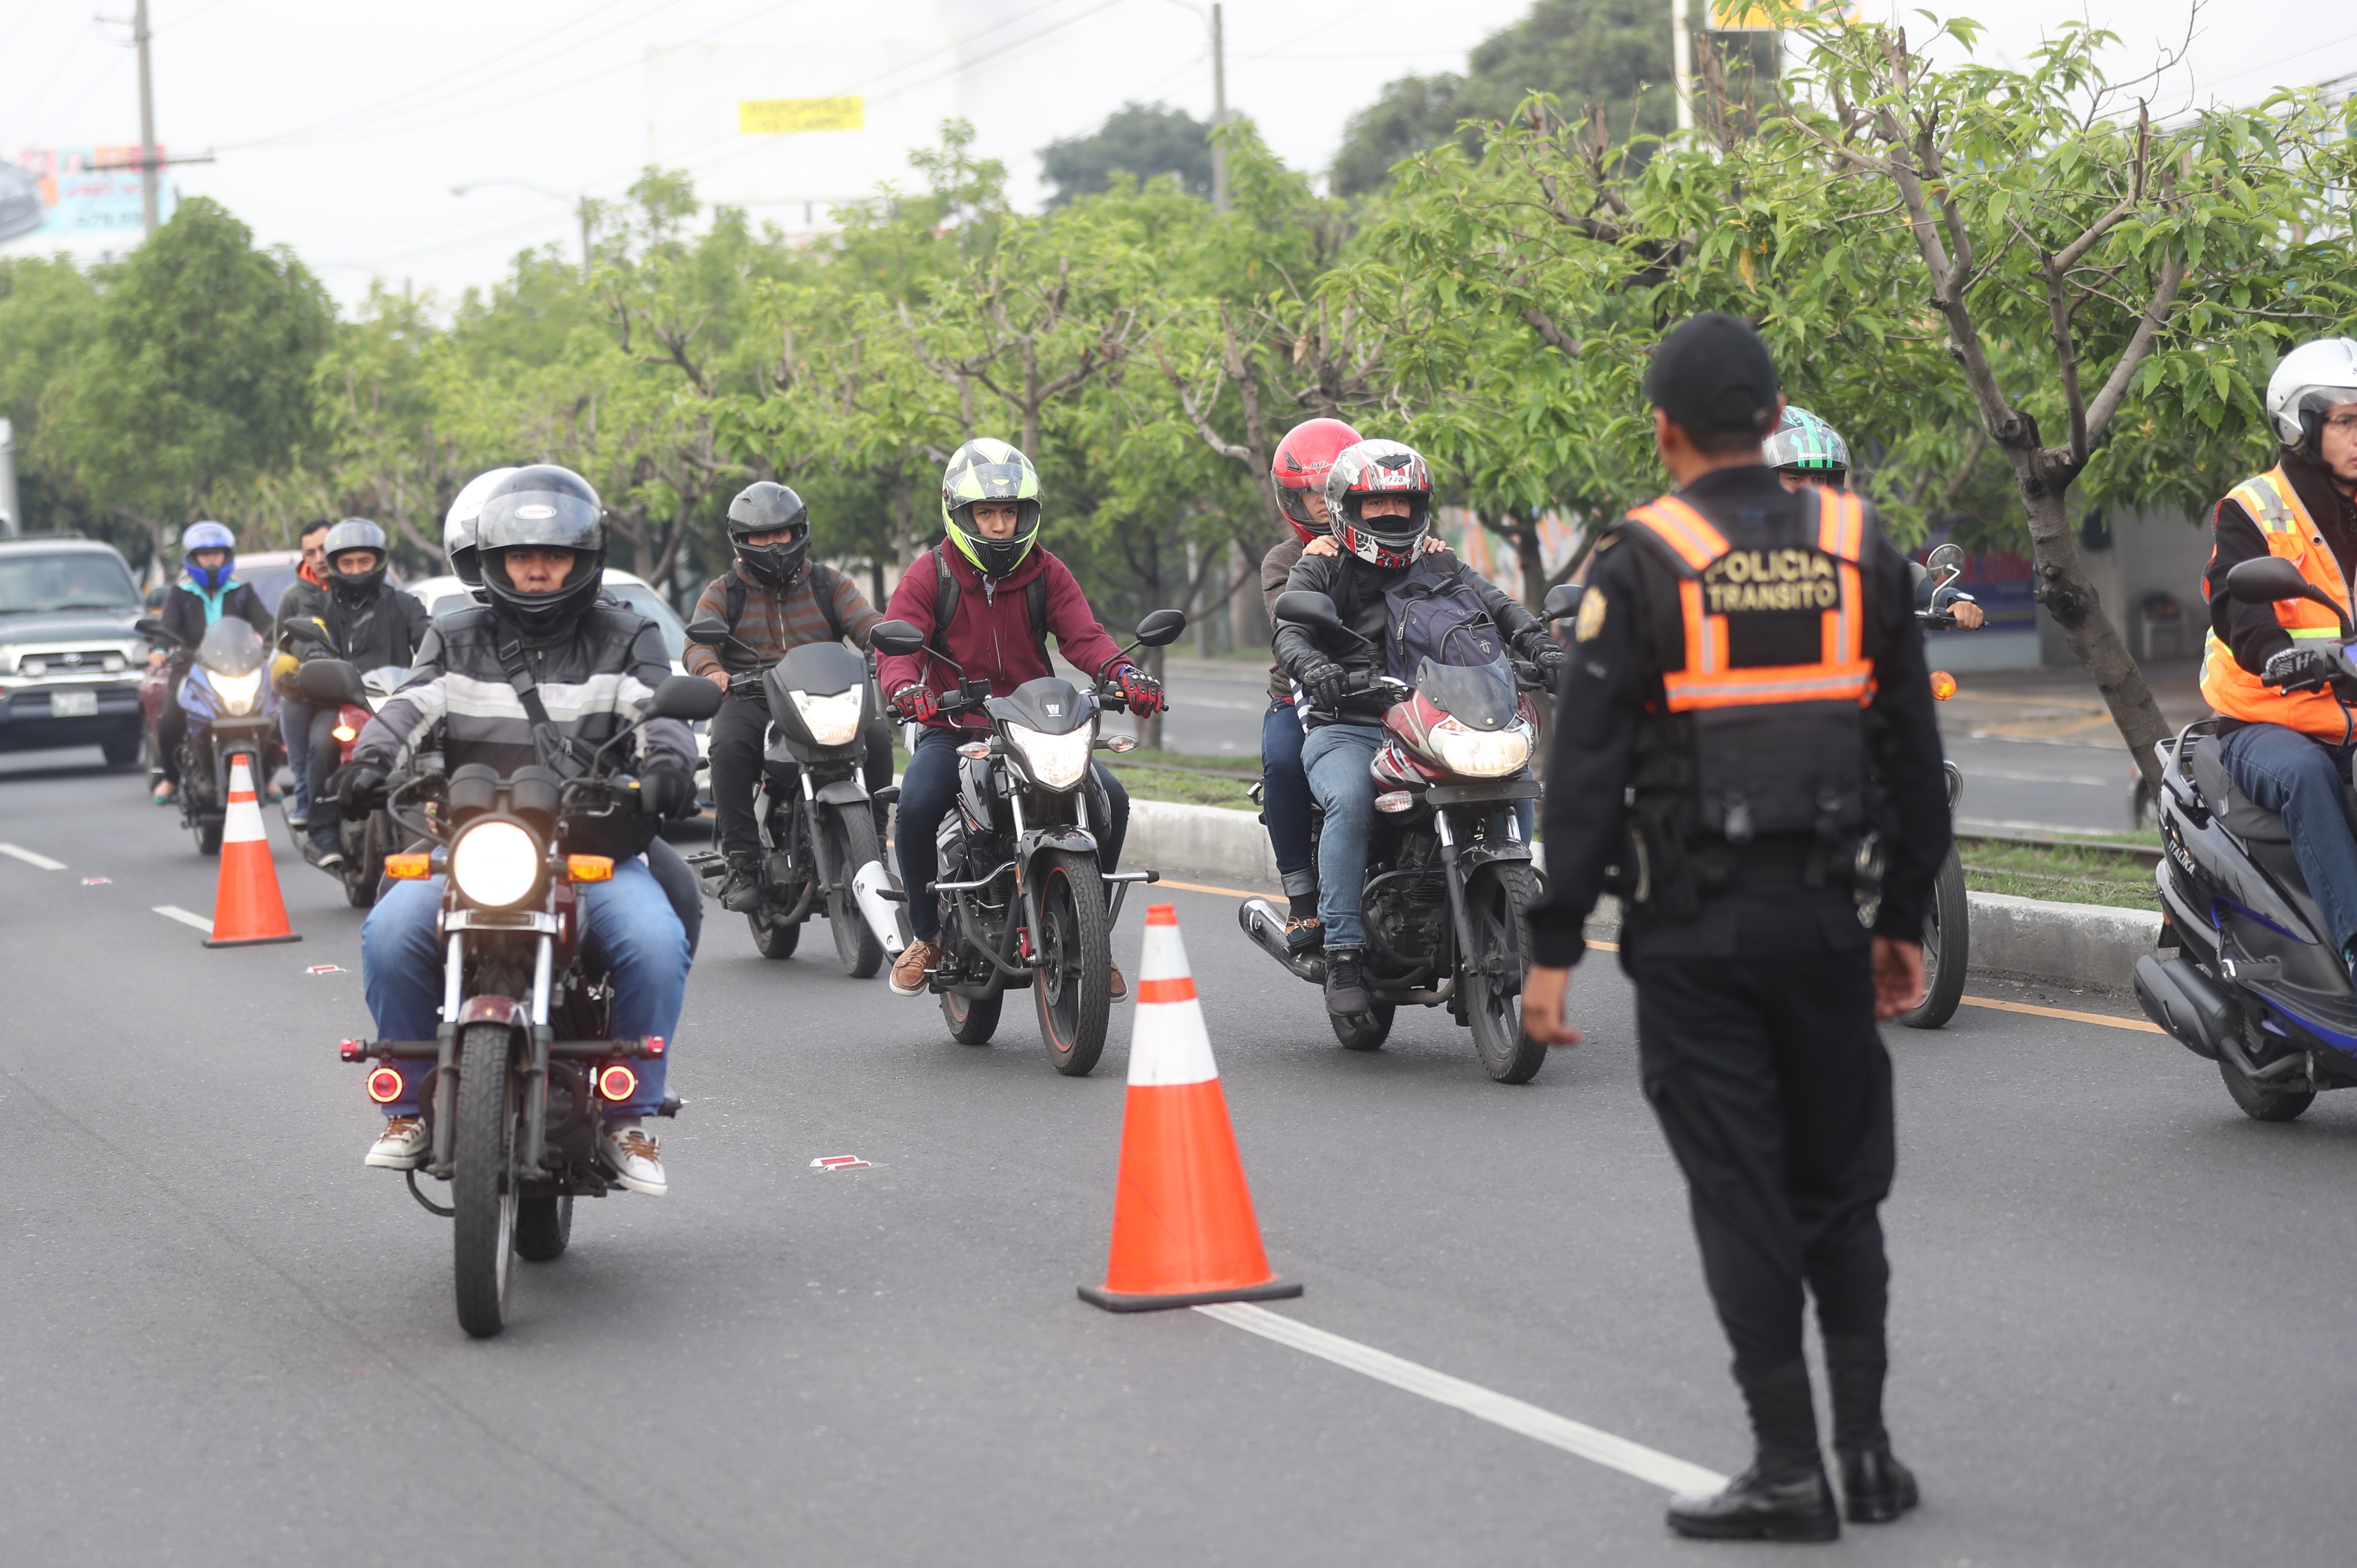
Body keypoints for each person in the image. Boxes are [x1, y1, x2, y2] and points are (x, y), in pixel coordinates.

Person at [1518, 314, 1949, 1541]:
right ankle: (1866, 1455)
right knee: (1837, 1193)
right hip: (1827, 919)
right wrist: (1902, 912)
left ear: (1664, 431)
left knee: (1741, 1193)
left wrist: (1552, 950)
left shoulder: (1642, 559)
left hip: (1694, 941)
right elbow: (1916, 755)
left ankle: (1786, 1467)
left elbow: (1586, 778)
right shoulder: (1862, 544)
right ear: (1773, 422)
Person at [340, 465, 699, 1195]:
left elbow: (660, 714)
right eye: (519, 556)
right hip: (471, 848)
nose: (537, 569)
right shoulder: (453, 635)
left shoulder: (625, 636)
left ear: (582, 559)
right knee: (389, 929)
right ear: (492, 562)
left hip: (593, 848)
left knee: (658, 940)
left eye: (554, 555)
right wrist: (367, 763)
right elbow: (408, 710)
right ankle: (407, 1106)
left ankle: (629, 1115)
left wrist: (668, 763)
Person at [1271, 439, 1563, 1016]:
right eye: (1376, 507)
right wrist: (1314, 666)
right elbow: (1290, 627)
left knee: (1513, 770)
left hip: (1438, 718)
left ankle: (1507, 905)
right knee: (1351, 799)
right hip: (1355, 723)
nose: (1392, 517)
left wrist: (1540, 645)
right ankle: (1346, 950)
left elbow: (1498, 605)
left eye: (1403, 505)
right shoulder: (1322, 564)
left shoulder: (1438, 560)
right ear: (1345, 509)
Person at [878, 437, 1164, 999]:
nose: (1001, 526)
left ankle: (1090, 935)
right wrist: (907, 688)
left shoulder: (1046, 571)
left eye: (1010, 512)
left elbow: (1085, 636)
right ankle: (928, 936)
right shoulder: (928, 574)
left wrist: (1125, 676)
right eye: (987, 512)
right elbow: (897, 647)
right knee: (913, 805)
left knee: (1115, 800)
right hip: (955, 728)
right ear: (961, 513)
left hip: (1035, 725)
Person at [2199, 336, 2357, 981]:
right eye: (2346, 421)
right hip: (2267, 721)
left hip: (2349, 714)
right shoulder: (2253, 508)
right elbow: (2238, 608)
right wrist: (2280, 657)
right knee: (2304, 776)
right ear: (2300, 424)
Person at [686, 480, 889, 911]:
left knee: (876, 732)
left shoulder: (828, 583)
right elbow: (697, 643)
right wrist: (714, 671)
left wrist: (885, 643)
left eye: (780, 533)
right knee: (727, 746)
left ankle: (875, 839)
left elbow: (867, 622)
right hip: (753, 697)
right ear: (742, 541)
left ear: (798, 533)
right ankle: (741, 858)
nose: (772, 544)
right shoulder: (724, 591)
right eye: (760, 536)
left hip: (824, 694)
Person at [1259, 417, 1363, 953]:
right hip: (1298, 695)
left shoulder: (1383, 547)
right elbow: (1287, 622)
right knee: (1282, 761)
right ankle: (1302, 900)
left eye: (1331, 491)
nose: (1323, 504)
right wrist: (1309, 565)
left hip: (1380, 692)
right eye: (1310, 495)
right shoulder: (1283, 559)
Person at [282, 519, 431, 868]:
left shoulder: (406, 604)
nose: (356, 570)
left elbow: (429, 642)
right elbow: (308, 638)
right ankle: (324, 831)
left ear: (380, 561)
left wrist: (440, 659)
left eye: (364, 561)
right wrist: (316, 656)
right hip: (342, 701)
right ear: (333, 565)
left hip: (399, 702)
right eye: (347, 563)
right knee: (322, 741)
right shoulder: (318, 606)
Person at [1764, 406, 1987, 630]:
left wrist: (1949, 598)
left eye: (1820, 479)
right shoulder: (1741, 538)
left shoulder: (1842, 534)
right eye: (1795, 479)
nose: (1810, 491)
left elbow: (1898, 572)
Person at [149, 521, 275, 804]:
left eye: (217, 553)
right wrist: (159, 649)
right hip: (192, 668)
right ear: (192, 559)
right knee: (170, 721)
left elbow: (266, 624)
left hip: (240, 669)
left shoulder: (243, 591)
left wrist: (279, 640)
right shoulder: (180, 595)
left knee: (272, 715)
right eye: (204, 555)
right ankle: (170, 777)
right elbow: (166, 629)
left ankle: (266, 777)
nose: (211, 560)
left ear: (227, 556)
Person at [272, 519, 333, 828]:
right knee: (290, 702)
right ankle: (304, 794)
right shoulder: (293, 598)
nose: (319, 558)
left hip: (362, 684)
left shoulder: (355, 586)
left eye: (324, 548)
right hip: (312, 688)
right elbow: (282, 647)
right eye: (311, 553)